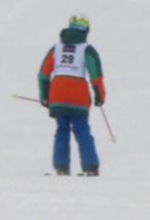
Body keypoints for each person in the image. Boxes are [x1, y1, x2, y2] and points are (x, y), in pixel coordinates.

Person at [38, 14, 106, 176]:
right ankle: (90, 166)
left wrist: (45, 95)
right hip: (78, 95)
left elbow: (43, 74)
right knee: (82, 129)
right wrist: (99, 95)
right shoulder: (87, 49)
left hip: (57, 93)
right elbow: (96, 76)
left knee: (62, 129)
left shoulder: (56, 48)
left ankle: (61, 166)